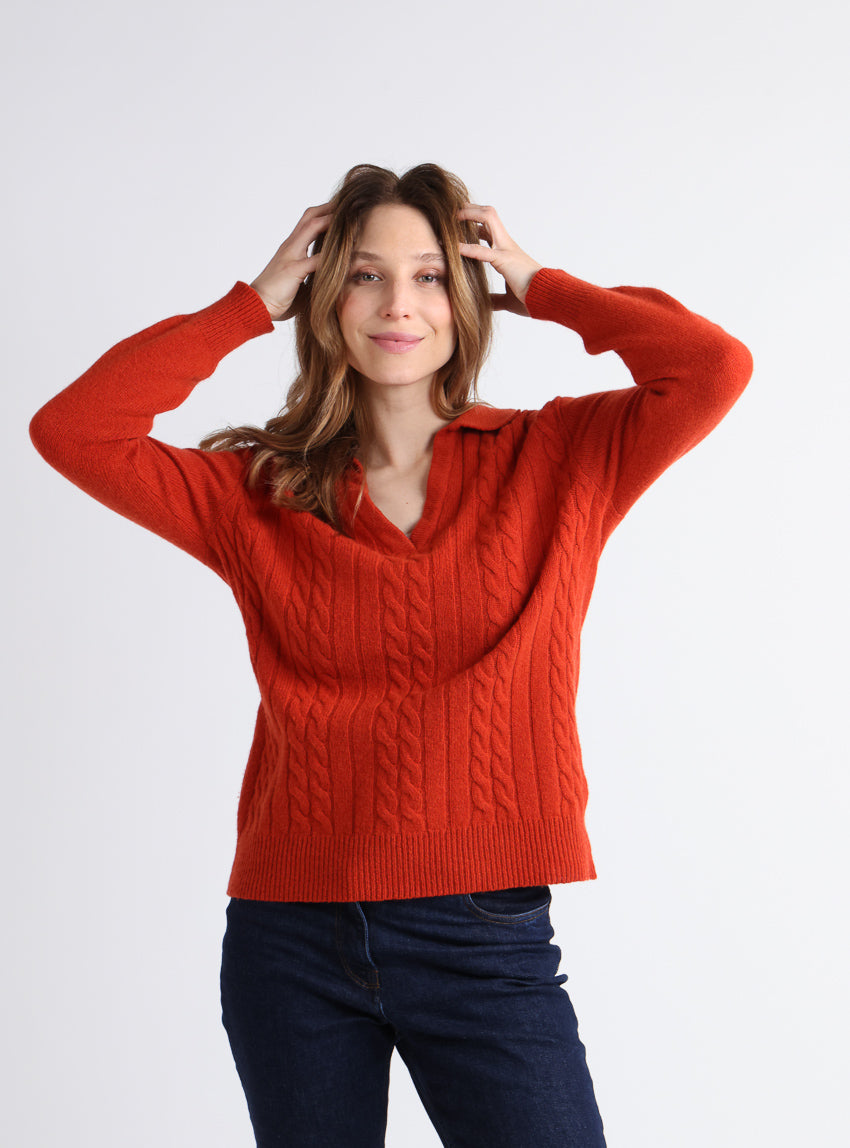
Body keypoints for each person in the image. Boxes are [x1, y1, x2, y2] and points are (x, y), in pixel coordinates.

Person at [29, 162, 753, 1147]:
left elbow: (711, 367)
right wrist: (250, 305)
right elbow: (74, 430)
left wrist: (541, 284)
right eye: (366, 275)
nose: (397, 304)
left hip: (481, 933)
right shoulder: (259, 490)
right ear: (326, 298)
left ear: (468, 297)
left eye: (429, 275)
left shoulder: (562, 457)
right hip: (289, 935)